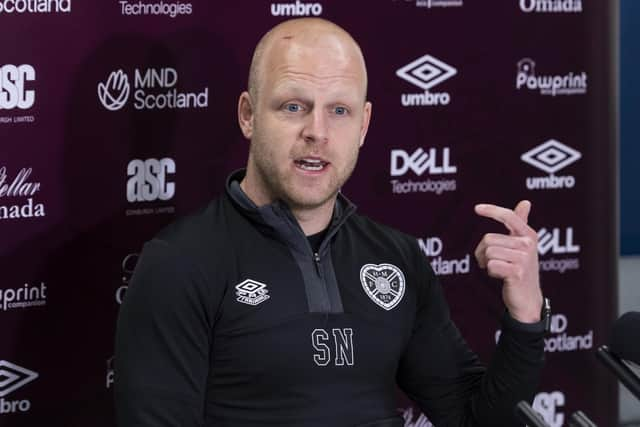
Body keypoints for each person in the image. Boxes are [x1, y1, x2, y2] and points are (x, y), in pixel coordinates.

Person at [114, 18, 545, 427]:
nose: (317, 131)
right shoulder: (180, 263)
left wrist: (525, 315)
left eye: (339, 110)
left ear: (364, 124)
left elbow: (476, 419)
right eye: (294, 105)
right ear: (248, 115)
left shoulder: (397, 257)